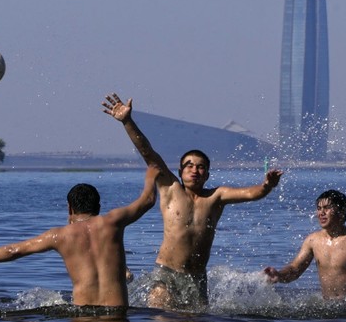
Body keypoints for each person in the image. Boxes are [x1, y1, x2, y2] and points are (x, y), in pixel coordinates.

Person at [102, 93, 283, 310]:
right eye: (189, 166)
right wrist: (127, 122)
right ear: (180, 171)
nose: (194, 170)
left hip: (196, 278)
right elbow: (148, 153)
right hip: (166, 274)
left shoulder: (217, 196)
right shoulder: (170, 188)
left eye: (200, 167)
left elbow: (251, 194)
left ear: (207, 174)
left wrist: (267, 186)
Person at [0, 165, 159, 308]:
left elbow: (14, 250)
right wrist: (151, 173)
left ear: (69, 208)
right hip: (118, 314)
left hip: (82, 315)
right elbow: (148, 200)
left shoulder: (59, 236)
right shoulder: (113, 222)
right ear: (98, 207)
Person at [264, 190, 346, 300]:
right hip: (328, 308)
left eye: (327, 208)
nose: (321, 213)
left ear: (341, 211)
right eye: (319, 208)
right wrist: (279, 275)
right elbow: (295, 269)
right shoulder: (313, 240)